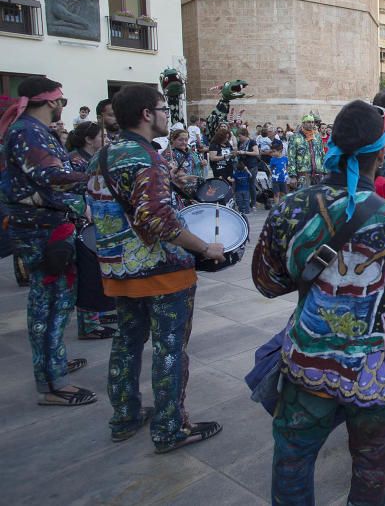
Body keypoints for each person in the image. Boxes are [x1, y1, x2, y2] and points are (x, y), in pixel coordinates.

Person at [252, 100, 385, 505]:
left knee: (292, 459)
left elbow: (267, 282)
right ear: (381, 152)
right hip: (376, 373)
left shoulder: (290, 208)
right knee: (371, 466)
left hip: (307, 364)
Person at [86, 84, 225, 451]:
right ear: (147, 114)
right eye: (163, 108)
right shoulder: (147, 158)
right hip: (160, 272)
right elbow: (157, 221)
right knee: (169, 348)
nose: (167, 115)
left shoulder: (103, 156)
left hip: (118, 270)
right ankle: (169, 427)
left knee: (127, 343)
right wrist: (205, 247)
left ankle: (125, 416)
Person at [0, 77, 98, 406]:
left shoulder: (36, 131)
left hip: (50, 224)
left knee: (58, 301)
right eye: (61, 100)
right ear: (51, 102)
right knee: (48, 302)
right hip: (39, 230)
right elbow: (50, 176)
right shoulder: (27, 131)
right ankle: (51, 383)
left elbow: (61, 167)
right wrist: (98, 178)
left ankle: (53, 361)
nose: (61, 106)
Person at [66, 121, 117, 340]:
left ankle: (99, 313)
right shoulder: (74, 160)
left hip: (98, 220)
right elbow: (67, 191)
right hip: (81, 224)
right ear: (88, 139)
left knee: (98, 273)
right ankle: (88, 325)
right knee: (87, 275)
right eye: (101, 135)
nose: (105, 138)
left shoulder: (94, 158)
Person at [287, 114, 325, 189]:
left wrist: (325, 171)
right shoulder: (295, 137)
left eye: (312, 122)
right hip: (303, 174)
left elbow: (322, 154)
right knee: (303, 198)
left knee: (317, 197)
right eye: (308, 122)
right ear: (303, 123)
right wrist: (292, 175)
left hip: (318, 174)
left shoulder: (317, 136)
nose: (311, 124)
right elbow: (291, 157)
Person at [235, 127, 260, 209]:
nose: (239, 138)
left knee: (251, 184)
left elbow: (256, 152)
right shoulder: (240, 143)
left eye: (240, 136)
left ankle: (253, 202)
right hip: (243, 166)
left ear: (245, 135)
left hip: (252, 166)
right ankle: (245, 201)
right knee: (244, 184)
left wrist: (244, 152)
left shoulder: (252, 142)